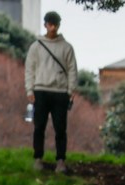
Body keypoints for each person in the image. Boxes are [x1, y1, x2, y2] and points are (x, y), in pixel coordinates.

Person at [26, 11, 77, 174]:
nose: (52, 27)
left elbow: (72, 70)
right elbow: (29, 69)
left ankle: (60, 160)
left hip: (60, 92)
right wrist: (29, 89)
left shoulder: (67, 47)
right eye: (50, 24)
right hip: (40, 90)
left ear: (58, 25)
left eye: (55, 24)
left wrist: (71, 90)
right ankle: (38, 158)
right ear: (45, 24)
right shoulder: (36, 46)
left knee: (60, 129)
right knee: (39, 126)